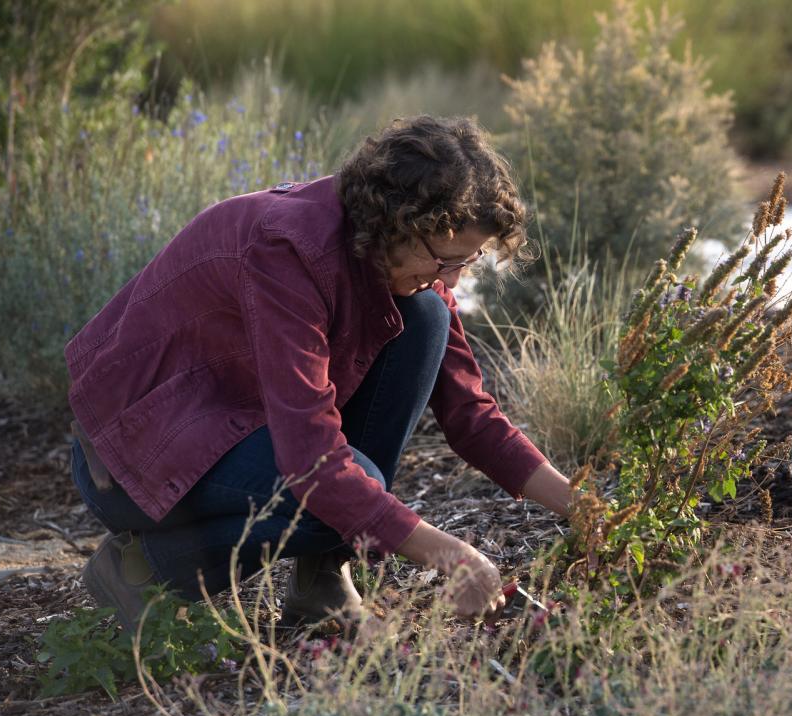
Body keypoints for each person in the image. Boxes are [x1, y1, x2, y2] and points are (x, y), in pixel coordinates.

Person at [65, 115, 573, 630]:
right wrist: (451, 558)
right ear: (402, 223)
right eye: (447, 259)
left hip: (227, 424)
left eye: (469, 261)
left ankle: (322, 579)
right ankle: (141, 569)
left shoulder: (402, 261)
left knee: (424, 320)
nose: (456, 277)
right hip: (133, 457)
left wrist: (583, 508)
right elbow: (312, 461)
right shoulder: (288, 251)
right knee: (347, 489)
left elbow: (472, 415)